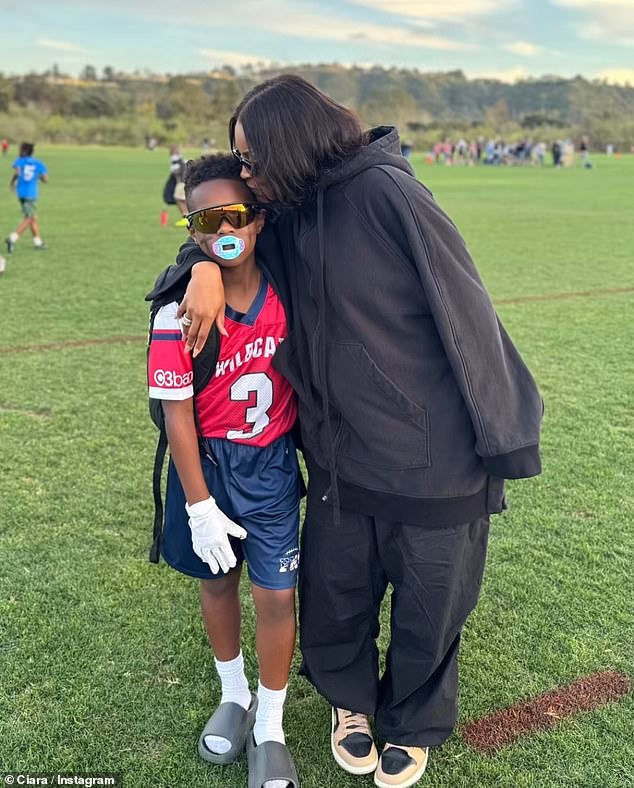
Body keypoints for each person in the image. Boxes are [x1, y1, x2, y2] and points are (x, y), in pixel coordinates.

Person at [174, 75, 543, 788]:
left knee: (430, 606)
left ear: (290, 142)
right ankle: (352, 706)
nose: (246, 172)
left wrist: (504, 439)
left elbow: (466, 312)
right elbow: (228, 239)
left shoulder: (388, 193)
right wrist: (198, 268)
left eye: (252, 156)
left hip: (435, 457)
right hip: (342, 456)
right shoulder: (288, 210)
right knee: (338, 592)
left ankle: (410, 721)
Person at [148, 154, 300, 788]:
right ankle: (233, 694)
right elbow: (176, 415)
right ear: (191, 229)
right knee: (217, 585)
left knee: (276, 594)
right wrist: (199, 505)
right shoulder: (176, 313)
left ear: (259, 220)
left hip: (271, 468)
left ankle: (271, 725)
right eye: (204, 220)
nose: (220, 229)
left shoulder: (289, 294)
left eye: (233, 215)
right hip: (209, 469)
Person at [5, 142, 48, 253]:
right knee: (29, 218)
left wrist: (12, 183)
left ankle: (38, 242)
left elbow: (17, 173)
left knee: (32, 217)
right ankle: (12, 238)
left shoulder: (19, 161)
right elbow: (45, 180)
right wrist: (38, 176)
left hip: (21, 193)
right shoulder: (39, 163)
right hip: (31, 193)